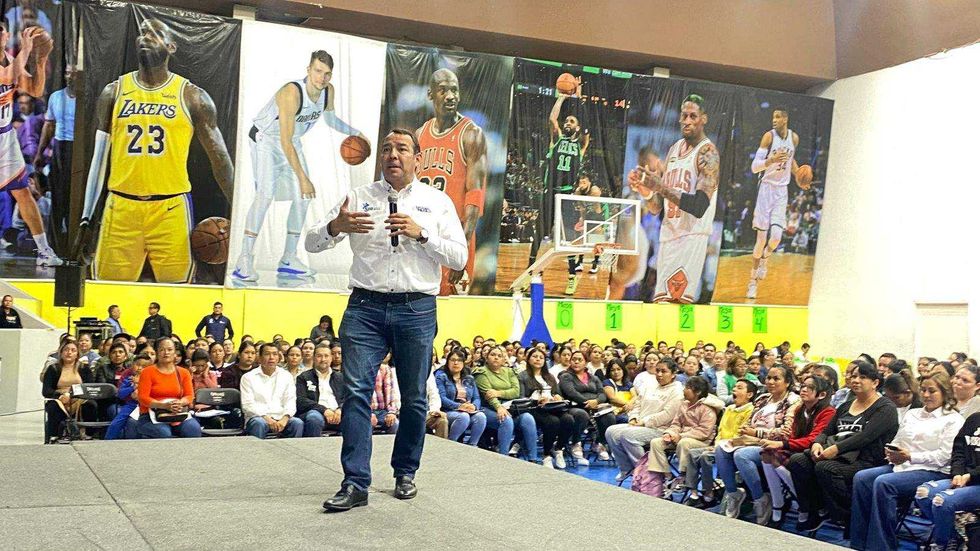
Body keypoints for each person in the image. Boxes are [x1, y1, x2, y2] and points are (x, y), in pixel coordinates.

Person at [306, 129, 466, 512]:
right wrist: (335, 228)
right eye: (388, 149)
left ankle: (405, 471)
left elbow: (459, 258)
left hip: (417, 309)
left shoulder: (436, 202)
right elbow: (311, 243)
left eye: (402, 149)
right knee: (356, 392)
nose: (393, 154)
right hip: (365, 308)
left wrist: (422, 233)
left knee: (413, 397)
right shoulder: (358, 198)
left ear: (417, 157)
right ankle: (355, 482)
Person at [81, 18, 233, 282]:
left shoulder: (191, 96)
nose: (146, 37)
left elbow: (220, 160)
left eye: (155, 33)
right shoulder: (113, 92)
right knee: (107, 293)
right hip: (120, 207)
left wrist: (240, 213)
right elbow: (98, 160)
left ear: (171, 47)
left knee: (178, 295)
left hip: (170, 209)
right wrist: (86, 218)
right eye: (142, 33)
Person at [232, 51, 364, 282]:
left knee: (305, 196)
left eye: (327, 74)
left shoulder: (327, 91)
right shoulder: (291, 93)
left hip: (290, 140)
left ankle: (288, 258)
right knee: (264, 195)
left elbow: (330, 120)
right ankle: (244, 259)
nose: (322, 78)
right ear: (308, 70)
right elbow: (283, 140)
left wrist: (357, 133)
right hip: (266, 139)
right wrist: (302, 178)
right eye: (317, 71)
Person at [850, 371, 963, 551]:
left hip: (932, 470)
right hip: (903, 465)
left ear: (945, 392)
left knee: (883, 483)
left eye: (932, 391)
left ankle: (881, 546)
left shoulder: (953, 420)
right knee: (862, 478)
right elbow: (899, 440)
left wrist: (910, 456)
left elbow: (944, 457)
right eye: (923, 390)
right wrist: (892, 450)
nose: (926, 395)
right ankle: (858, 541)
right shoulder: (913, 414)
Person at [787, 359, 899, 532]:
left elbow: (866, 436)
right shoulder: (846, 406)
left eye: (862, 377)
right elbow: (826, 430)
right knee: (798, 460)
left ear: (875, 382)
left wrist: (836, 449)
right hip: (837, 454)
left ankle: (849, 515)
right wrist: (818, 443)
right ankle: (817, 509)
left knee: (826, 468)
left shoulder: (886, 407)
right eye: (853, 376)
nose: (856, 380)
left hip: (866, 460)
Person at [629, 94, 720, 303]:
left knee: (678, 305)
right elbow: (656, 208)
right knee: (661, 302)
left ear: (703, 119)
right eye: (684, 115)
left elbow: (699, 206)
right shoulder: (673, 150)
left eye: (693, 116)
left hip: (691, 237)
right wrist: (647, 191)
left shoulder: (708, 152)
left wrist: (660, 186)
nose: (687, 121)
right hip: (668, 237)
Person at [415, 68, 488, 296]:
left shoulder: (471, 134)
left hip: (453, 235)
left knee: (451, 304)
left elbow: (475, 194)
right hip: (422, 233)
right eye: (443, 90)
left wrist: (462, 248)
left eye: (454, 90)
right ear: (430, 94)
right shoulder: (419, 134)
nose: (450, 96)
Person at [0, 24, 60, 267]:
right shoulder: (12, 63)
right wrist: (26, 48)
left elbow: (35, 90)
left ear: (5, 36)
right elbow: (7, 77)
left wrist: (41, 59)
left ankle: (44, 250)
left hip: (5, 137)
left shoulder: (11, 59)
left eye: (1, 30)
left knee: (23, 193)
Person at [716, 366, 800, 522]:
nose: (771, 382)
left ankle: (760, 499)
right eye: (768, 378)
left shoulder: (793, 401)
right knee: (721, 448)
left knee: (741, 455)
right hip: (751, 440)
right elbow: (749, 423)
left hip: (774, 443)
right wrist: (745, 432)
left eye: (776, 379)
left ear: (787, 382)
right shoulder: (762, 399)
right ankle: (734, 493)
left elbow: (786, 432)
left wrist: (757, 434)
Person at [527, 82, 588, 273]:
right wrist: (562, 97)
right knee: (540, 233)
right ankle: (531, 268)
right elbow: (553, 119)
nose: (567, 123)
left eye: (571, 121)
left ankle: (571, 275)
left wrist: (578, 100)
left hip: (567, 196)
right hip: (549, 193)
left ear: (577, 128)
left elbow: (587, 128)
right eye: (567, 121)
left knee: (568, 236)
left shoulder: (581, 146)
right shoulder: (557, 138)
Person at [760, 375, 836, 525]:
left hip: (816, 452)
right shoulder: (800, 409)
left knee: (778, 456)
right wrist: (781, 441)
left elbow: (814, 439)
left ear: (822, 394)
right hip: (798, 448)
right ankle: (778, 504)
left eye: (810, 387)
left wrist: (782, 444)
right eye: (803, 386)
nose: (804, 389)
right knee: (766, 453)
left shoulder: (828, 412)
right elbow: (794, 436)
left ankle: (806, 505)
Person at [746, 108, 803, 299]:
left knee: (777, 237)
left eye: (778, 117)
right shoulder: (768, 138)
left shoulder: (794, 138)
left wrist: (800, 178)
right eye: (773, 117)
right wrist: (770, 160)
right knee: (760, 240)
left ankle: (765, 259)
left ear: (786, 119)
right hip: (766, 189)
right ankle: (752, 282)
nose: (774, 120)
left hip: (782, 191)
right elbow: (755, 167)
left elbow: (791, 162)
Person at [606, 358, 685, 480]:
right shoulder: (650, 385)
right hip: (639, 424)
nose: (659, 374)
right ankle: (628, 469)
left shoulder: (677, 390)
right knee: (611, 431)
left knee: (628, 435)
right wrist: (633, 418)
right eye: (657, 371)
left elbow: (667, 415)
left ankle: (647, 474)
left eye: (664, 371)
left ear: (673, 374)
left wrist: (643, 422)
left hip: (660, 429)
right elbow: (637, 404)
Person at [684, 379, 758, 509]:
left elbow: (741, 434)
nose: (734, 389)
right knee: (692, 453)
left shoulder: (751, 410)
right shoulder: (729, 409)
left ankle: (709, 493)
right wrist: (717, 443)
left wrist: (722, 445)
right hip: (719, 445)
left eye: (739, 388)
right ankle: (694, 493)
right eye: (734, 387)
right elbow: (721, 430)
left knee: (705, 457)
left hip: (733, 447)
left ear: (749, 395)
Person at [916, 411, 980, 550]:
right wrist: (957, 473)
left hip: (975, 481)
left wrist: (971, 475)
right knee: (923, 493)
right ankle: (953, 537)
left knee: (942, 501)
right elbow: (958, 451)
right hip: (964, 478)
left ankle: (941, 544)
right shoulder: (974, 419)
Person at [646, 376, 718, 498]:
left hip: (702, 442)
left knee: (685, 443)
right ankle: (668, 476)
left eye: (687, 388)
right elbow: (676, 424)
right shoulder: (683, 405)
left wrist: (681, 436)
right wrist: (670, 434)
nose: (684, 390)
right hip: (679, 437)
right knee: (656, 442)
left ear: (698, 392)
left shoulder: (707, 409)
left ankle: (683, 475)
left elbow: (704, 432)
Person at [518, 347, 586, 468]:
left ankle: (558, 448)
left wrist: (557, 397)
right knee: (553, 421)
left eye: (541, 357)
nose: (538, 359)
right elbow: (522, 397)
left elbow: (556, 393)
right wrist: (536, 399)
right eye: (535, 357)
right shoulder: (523, 376)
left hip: (553, 407)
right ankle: (546, 455)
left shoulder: (549, 376)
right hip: (534, 408)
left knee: (568, 419)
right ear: (528, 359)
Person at [475, 345, 538, 461]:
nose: (496, 358)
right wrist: (499, 407)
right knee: (506, 420)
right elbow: (489, 395)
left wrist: (498, 393)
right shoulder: (481, 372)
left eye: (499, 356)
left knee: (528, 418)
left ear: (504, 359)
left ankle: (533, 459)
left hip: (510, 407)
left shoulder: (509, 371)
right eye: (492, 355)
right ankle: (504, 459)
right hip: (487, 408)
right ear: (486, 358)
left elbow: (516, 391)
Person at [35, 64, 75, 247]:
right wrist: (39, 153)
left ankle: (74, 244)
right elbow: (49, 125)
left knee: (74, 198)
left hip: (80, 149)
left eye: (74, 73)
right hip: (61, 148)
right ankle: (53, 245)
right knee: (58, 196)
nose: (70, 76)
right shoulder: (56, 97)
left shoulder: (88, 97)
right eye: (67, 72)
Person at [136, 338, 201, 438]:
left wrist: (180, 403)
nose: (166, 353)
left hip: (177, 413)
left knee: (193, 428)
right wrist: (164, 406)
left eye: (170, 349)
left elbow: (189, 395)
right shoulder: (147, 372)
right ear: (157, 352)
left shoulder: (184, 372)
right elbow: (143, 398)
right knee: (163, 433)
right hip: (151, 414)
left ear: (175, 352)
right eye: (162, 350)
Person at [560, 350, 618, 461]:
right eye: (574, 359)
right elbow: (571, 393)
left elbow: (602, 393)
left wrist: (596, 402)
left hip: (595, 407)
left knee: (609, 416)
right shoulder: (566, 376)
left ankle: (599, 443)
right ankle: (576, 443)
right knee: (581, 414)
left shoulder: (593, 378)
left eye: (580, 360)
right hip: (575, 407)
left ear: (585, 362)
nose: (576, 362)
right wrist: (588, 402)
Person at [240, 343, 302, 438]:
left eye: (275, 354)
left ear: (279, 357)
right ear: (259, 358)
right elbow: (247, 405)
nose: (271, 357)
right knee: (259, 423)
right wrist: (267, 419)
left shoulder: (286, 376)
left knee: (297, 423)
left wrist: (285, 418)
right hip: (258, 418)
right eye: (267, 354)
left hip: (281, 418)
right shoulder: (248, 377)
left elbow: (290, 401)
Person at [41, 341, 94, 442]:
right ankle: (55, 435)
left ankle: (88, 434)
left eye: (73, 350)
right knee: (53, 407)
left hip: (79, 398)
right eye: (66, 350)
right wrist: (60, 395)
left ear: (77, 354)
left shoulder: (84, 368)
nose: (69, 352)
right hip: (60, 399)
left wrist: (73, 395)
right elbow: (46, 391)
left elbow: (89, 387)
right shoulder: (53, 369)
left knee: (91, 404)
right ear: (61, 353)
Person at [435, 348, 486, 446]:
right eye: (453, 360)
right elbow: (442, 398)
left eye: (459, 360)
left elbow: (477, 397)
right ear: (447, 362)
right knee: (464, 417)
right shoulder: (442, 377)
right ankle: (450, 444)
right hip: (449, 410)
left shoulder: (469, 379)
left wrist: (474, 406)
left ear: (463, 363)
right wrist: (459, 406)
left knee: (481, 417)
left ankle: (472, 446)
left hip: (467, 409)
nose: (456, 363)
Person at [296, 342, 345, 437]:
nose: (323, 359)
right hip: (316, 412)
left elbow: (348, 397)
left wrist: (340, 409)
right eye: (319, 356)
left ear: (331, 358)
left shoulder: (341, 377)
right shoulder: (303, 377)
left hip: (338, 413)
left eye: (326, 356)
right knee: (314, 418)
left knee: (355, 417)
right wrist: (324, 410)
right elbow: (301, 400)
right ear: (313, 358)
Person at [105, 355, 150, 440]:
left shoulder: (150, 379)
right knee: (117, 422)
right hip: (131, 405)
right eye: (137, 365)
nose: (140, 368)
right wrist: (132, 387)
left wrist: (140, 384)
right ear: (133, 365)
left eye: (144, 366)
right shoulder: (128, 379)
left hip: (146, 406)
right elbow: (120, 394)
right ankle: (108, 439)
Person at [370, 358, 400, 435]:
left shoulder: (385, 369)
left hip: (383, 411)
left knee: (395, 425)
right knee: (365, 426)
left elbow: (390, 393)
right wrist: (368, 413)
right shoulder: (358, 369)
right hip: (366, 411)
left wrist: (391, 412)